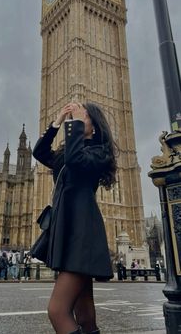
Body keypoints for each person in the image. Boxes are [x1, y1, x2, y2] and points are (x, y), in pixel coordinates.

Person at [33, 102, 117, 334]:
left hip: (82, 236)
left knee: (57, 311)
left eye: (85, 116)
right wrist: (58, 122)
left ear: (96, 126)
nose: (78, 117)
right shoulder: (69, 151)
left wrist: (75, 126)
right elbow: (39, 152)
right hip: (68, 232)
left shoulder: (99, 152)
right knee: (85, 316)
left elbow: (76, 160)